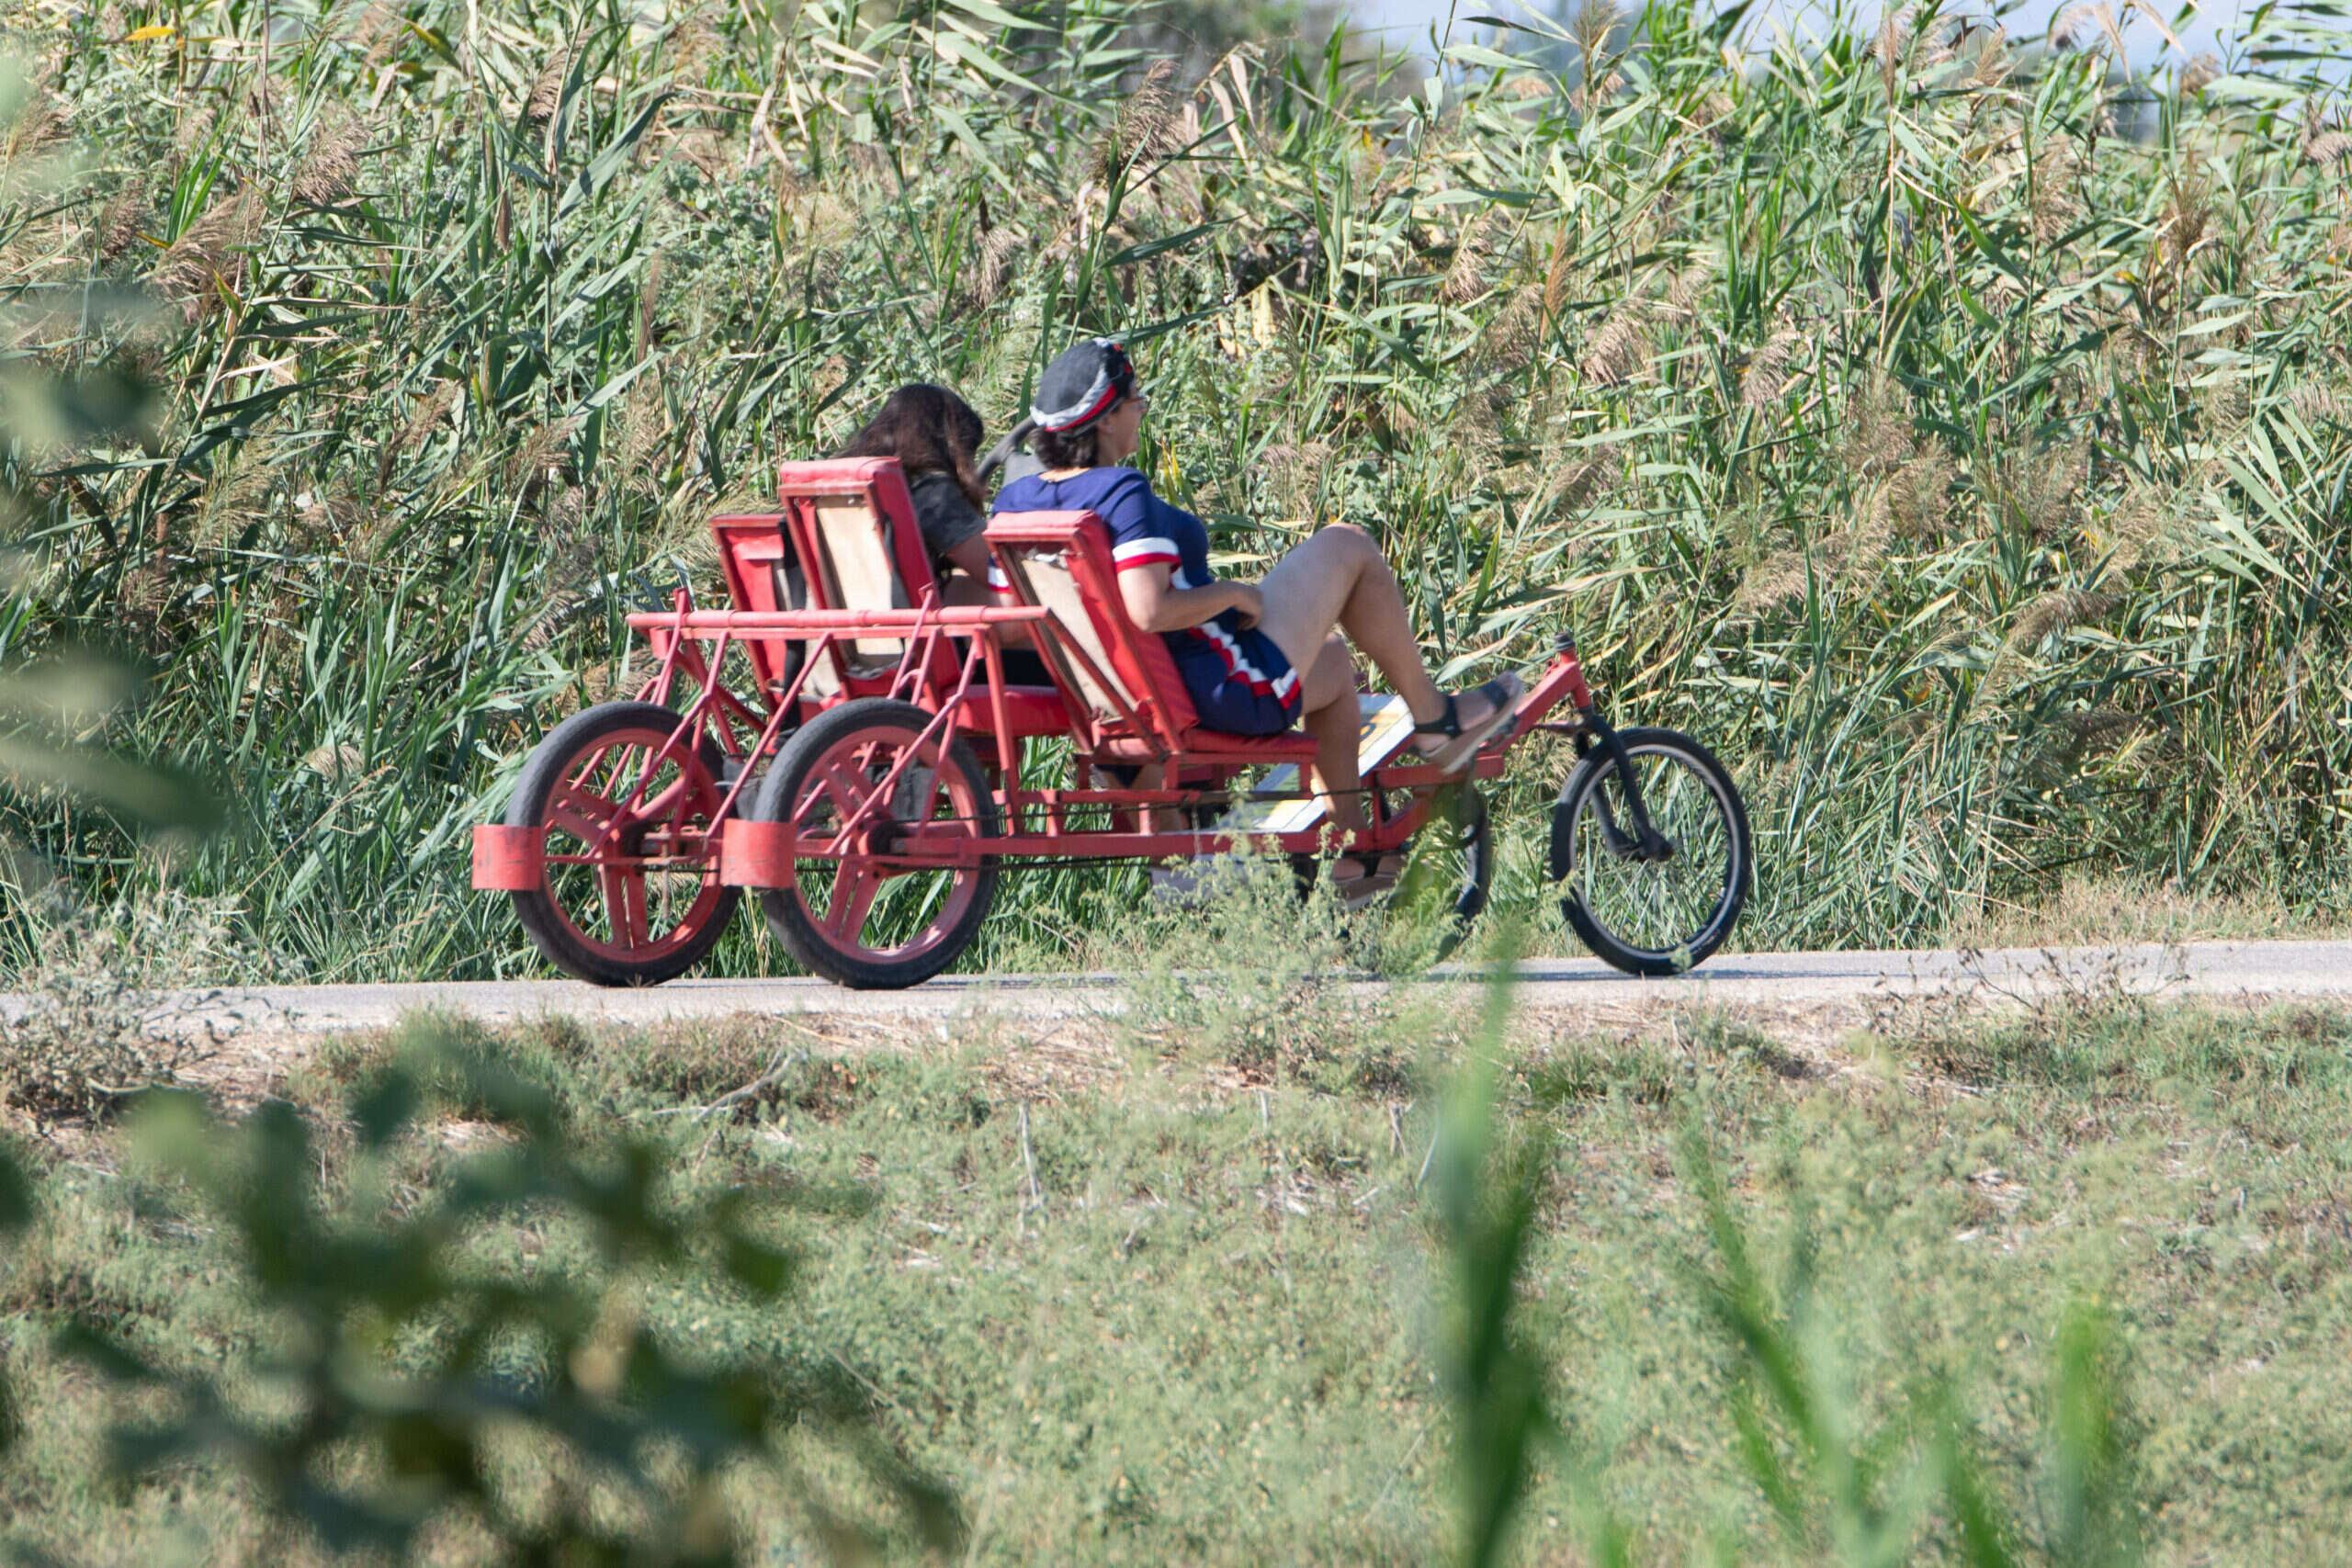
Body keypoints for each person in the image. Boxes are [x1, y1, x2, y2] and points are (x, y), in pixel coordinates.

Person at [991, 337, 1523, 902]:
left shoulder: (1016, 501)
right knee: (1350, 546)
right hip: (1212, 689)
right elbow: (1147, 609)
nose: (1142, 409)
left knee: (1335, 664)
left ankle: (1349, 858)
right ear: (1103, 421)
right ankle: (1435, 723)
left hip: (1111, 699)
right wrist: (1233, 595)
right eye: (1134, 400)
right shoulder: (1122, 493)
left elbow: (1011, 622)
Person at [834, 384, 993, 588]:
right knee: (1017, 598)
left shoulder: (843, 483)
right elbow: (997, 575)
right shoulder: (931, 492)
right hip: (910, 615)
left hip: (853, 610)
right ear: (951, 447)